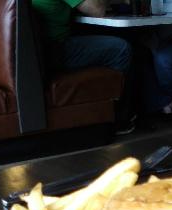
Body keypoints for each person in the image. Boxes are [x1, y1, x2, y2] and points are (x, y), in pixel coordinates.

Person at [31, 0, 136, 133]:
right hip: (55, 50)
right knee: (121, 49)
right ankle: (119, 119)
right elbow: (97, 9)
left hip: (35, 52)